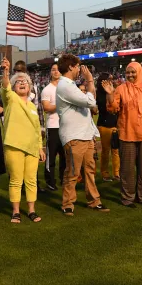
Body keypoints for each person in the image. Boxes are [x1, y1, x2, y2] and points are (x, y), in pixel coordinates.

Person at [102, 62, 142, 208]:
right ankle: (128, 197)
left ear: (139, 72)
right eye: (128, 72)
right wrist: (110, 94)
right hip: (127, 134)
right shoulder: (121, 89)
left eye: (133, 72)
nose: (130, 75)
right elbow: (113, 108)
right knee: (127, 168)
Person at [56, 54, 109, 216]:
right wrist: (90, 81)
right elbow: (90, 102)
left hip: (85, 134)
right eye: (78, 66)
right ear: (71, 67)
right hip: (74, 135)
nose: (80, 69)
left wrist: (89, 84)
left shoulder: (70, 85)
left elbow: (90, 100)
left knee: (89, 171)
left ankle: (94, 201)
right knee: (72, 172)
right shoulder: (65, 85)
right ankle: (67, 204)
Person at [0, 58, 45, 223]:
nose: (22, 83)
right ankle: (16, 212)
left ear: (30, 86)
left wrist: (40, 148)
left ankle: (32, 210)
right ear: (13, 86)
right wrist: (6, 72)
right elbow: (5, 87)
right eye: (18, 81)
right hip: (14, 146)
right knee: (16, 180)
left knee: (31, 180)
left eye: (25, 81)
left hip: (32, 148)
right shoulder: (10, 99)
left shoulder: (33, 106)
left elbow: (37, 129)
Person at [13, 60, 46, 193]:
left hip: (31, 129)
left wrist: (42, 128)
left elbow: (39, 110)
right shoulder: (10, 88)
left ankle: (34, 185)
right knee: (16, 162)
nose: (19, 73)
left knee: (32, 158)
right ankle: (18, 187)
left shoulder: (34, 88)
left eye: (21, 70)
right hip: (16, 130)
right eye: (17, 70)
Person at [41, 63, 65, 191]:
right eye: (53, 69)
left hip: (66, 126)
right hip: (53, 126)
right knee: (51, 156)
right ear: (50, 72)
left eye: (58, 69)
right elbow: (46, 107)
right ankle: (50, 181)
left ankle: (63, 179)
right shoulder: (47, 89)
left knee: (65, 156)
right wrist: (61, 105)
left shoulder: (65, 88)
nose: (56, 72)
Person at [96, 73, 120, 182]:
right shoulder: (99, 94)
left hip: (115, 124)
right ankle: (105, 173)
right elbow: (104, 108)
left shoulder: (115, 91)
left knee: (115, 150)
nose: (111, 81)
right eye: (108, 79)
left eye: (111, 79)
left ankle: (116, 173)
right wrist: (109, 92)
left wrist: (112, 91)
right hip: (104, 125)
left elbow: (117, 108)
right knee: (105, 150)